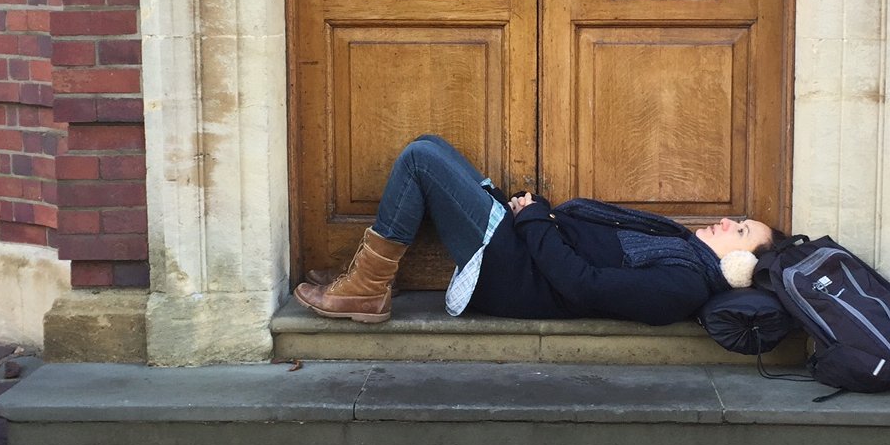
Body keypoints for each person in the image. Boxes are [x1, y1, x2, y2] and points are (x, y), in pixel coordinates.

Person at [295, 135, 780, 326]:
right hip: (518, 240)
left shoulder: (681, 285)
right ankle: (365, 279)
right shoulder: (678, 245)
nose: (728, 221)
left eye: (740, 231)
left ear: (738, 267)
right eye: (739, 220)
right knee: (427, 144)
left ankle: (367, 288)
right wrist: (534, 211)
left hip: (507, 270)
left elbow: (581, 284)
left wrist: (532, 220)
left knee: (421, 160)